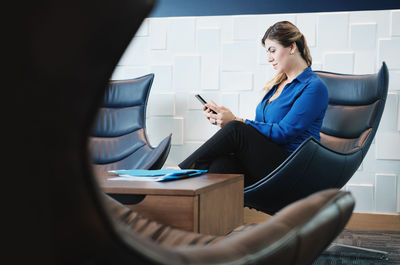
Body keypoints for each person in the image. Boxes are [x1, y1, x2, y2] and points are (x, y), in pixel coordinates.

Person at [178, 21, 329, 187]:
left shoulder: (314, 87)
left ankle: (180, 174)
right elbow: (259, 130)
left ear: (292, 47)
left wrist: (236, 121)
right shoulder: (277, 86)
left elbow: (284, 132)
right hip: (269, 161)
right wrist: (224, 119)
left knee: (236, 128)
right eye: (267, 52)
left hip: (292, 167)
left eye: (272, 50)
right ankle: (195, 198)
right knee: (221, 165)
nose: (269, 58)